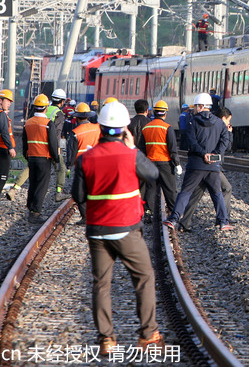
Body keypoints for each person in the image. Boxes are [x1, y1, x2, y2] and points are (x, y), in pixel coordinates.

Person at [71, 100, 163, 355]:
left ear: (100, 127)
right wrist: (133, 148)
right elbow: (154, 175)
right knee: (144, 277)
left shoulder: (86, 159)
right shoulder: (131, 155)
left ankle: (107, 340)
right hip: (127, 229)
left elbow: (77, 194)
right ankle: (148, 335)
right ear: (125, 129)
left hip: (97, 231)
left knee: (101, 284)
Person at [165, 93, 232, 231]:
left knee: (185, 192)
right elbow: (225, 140)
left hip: (196, 164)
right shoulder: (220, 123)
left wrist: (203, 154)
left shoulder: (192, 122)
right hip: (213, 166)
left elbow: (192, 142)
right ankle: (224, 221)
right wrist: (215, 154)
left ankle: (173, 219)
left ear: (201, 107)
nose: (194, 109)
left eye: (195, 106)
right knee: (217, 193)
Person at [178, 107, 235, 231]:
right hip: (212, 167)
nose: (229, 123)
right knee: (225, 189)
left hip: (201, 166)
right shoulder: (219, 128)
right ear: (223, 118)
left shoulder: (210, 126)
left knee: (195, 195)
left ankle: (184, 223)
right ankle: (223, 220)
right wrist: (229, 133)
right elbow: (227, 147)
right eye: (228, 120)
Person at [22, 94, 60, 222]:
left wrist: (27, 156)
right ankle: (35, 212)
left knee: (33, 183)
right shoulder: (48, 123)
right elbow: (53, 144)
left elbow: (24, 143)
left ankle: (30, 206)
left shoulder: (28, 123)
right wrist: (56, 159)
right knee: (42, 185)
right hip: (44, 158)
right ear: (46, 107)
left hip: (32, 157)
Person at [140, 101, 180, 218]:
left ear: (153, 112)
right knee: (170, 189)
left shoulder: (146, 128)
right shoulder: (167, 128)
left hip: (150, 162)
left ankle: (148, 213)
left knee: (150, 189)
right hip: (165, 163)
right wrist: (177, 163)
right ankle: (174, 213)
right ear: (165, 113)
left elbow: (142, 147)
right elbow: (172, 148)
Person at [68, 102, 102, 223]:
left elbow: (72, 151)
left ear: (76, 117)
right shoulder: (97, 128)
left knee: (81, 191)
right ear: (88, 116)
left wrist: (68, 166)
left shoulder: (75, 132)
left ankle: (85, 217)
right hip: (98, 164)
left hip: (81, 165)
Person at [47, 88, 69, 198]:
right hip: (52, 144)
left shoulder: (46, 109)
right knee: (61, 168)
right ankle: (59, 192)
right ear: (62, 101)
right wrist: (57, 147)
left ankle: (15, 188)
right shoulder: (59, 114)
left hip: (41, 143)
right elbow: (57, 132)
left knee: (31, 167)